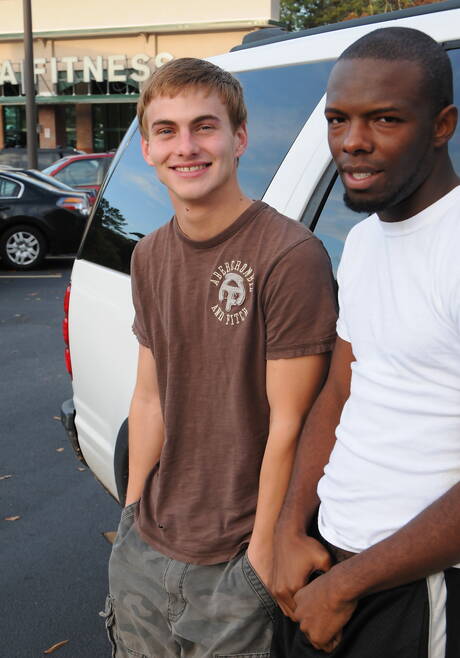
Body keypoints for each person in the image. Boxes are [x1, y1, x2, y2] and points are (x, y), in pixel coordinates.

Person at [104, 57, 337, 657]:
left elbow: (292, 424)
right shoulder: (150, 256)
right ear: (148, 150)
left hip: (236, 563)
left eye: (204, 127)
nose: (186, 147)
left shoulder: (289, 255)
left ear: (239, 138)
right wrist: (130, 518)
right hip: (146, 547)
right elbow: (149, 398)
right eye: (166, 131)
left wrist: (260, 558)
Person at [271, 26, 460, 658]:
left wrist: (347, 586)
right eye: (338, 119)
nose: (351, 141)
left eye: (384, 119)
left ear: (442, 126)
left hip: (415, 587)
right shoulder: (364, 241)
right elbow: (342, 389)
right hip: (328, 556)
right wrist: (290, 527)